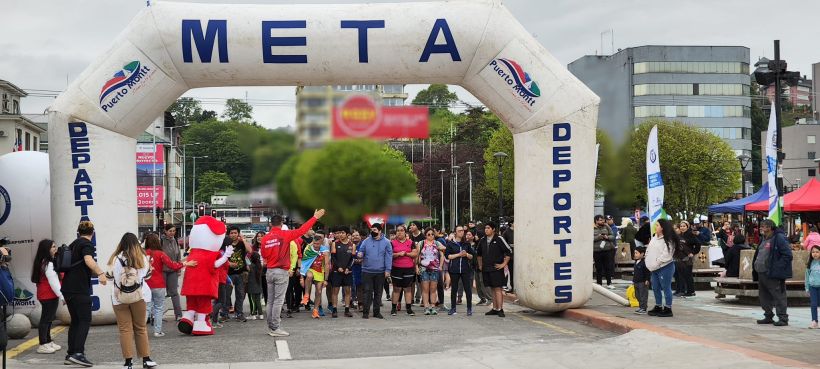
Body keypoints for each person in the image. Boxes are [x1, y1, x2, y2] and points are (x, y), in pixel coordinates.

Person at [260, 209, 324, 337]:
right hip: (281, 271)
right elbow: (302, 230)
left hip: (270, 271)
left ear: (271, 224)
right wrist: (314, 217)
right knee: (278, 301)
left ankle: (271, 326)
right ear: (281, 223)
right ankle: (275, 327)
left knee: (271, 301)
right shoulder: (285, 234)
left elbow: (264, 255)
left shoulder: (265, 238)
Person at [107, 233, 158, 369]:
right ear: (136, 243)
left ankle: (128, 363)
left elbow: (109, 277)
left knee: (125, 330)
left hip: (119, 298)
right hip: (138, 296)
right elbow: (146, 277)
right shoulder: (142, 258)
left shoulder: (115, 258)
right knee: (140, 328)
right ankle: (146, 360)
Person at [61, 221, 108, 367]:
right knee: (85, 320)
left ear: (78, 232)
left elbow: (81, 265)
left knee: (75, 321)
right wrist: (100, 273)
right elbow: (88, 260)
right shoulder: (87, 245)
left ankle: (70, 354)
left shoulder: (73, 244)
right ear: (92, 233)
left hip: (68, 288)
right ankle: (78, 354)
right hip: (79, 289)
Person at [144, 233, 195, 337]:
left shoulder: (143, 254)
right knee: (159, 308)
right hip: (159, 284)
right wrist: (185, 263)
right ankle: (157, 331)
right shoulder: (160, 253)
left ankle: (141, 331)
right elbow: (172, 265)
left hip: (146, 285)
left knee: (146, 308)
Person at [753, 219, 792, 326]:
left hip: (772, 273)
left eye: (763, 226)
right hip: (761, 273)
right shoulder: (763, 238)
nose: (761, 228)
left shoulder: (779, 238)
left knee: (778, 295)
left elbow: (788, 255)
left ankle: (783, 318)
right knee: (764, 296)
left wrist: (776, 267)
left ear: (769, 227)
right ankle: (768, 316)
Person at [31, 239, 63, 354]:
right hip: (48, 295)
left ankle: (48, 341)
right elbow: (53, 282)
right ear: (47, 249)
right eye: (53, 247)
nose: (56, 248)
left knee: (48, 319)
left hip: (47, 295)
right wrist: (62, 296)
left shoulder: (45, 262)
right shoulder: (48, 264)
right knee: (46, 320)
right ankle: (43, 344)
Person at [357, 223, 392, 319]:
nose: (373, 232)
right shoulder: (366, 241)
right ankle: (365, 312)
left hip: (380, 271)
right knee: (367, 292)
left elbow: (389, 257)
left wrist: (388, 270)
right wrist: (360, 254)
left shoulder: (387, 242)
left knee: (378, 292)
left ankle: (376, 312)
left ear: (380, 231)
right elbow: (361, 251)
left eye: (375, 230)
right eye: (372, 230)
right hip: (367, 270)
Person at [477, 222, 512, 317]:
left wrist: (503, 264)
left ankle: (500, 309)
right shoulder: (483, 240)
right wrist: (480, 265)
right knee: (492, 288)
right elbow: (479, 254)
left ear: (493, 229)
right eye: (485, 228)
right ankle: (495, 308)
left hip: (496, 268)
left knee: (498, 289)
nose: (486, 230)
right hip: (486, 268)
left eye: (488, 228)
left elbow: (509, 251)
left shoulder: (499, 238)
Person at [646, 219, 677, 318]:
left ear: (663, 227)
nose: (656, 227)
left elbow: (667, 255)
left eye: (657, 225)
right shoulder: (654, 237)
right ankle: (658, 306)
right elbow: (649, 250)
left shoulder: (669, 239)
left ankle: (668, 308)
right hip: (654, 268)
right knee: (655, 287)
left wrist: (657, 262)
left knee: (666, 287)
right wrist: (648, 260)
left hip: (665, 267)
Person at [300, 233, 330, 319]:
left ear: (321, 243)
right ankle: (306, 295)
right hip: (310, 268)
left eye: (318, 244)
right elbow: (304, 262)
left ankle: (315, 311)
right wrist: (302, 277)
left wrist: (326, 279)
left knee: (319, 292)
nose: (316, 245)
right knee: (309, 276)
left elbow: (327, 265)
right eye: (314, 243)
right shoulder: (308, 248)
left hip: (320, 271)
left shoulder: (325, 251)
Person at [446, 226, 475, 316]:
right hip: (454, 269)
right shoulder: (450, 244)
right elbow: (448, 256)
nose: (462, 232)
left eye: (462, 230)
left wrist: (466, 254)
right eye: (459, 231)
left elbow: (472, 256)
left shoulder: (466, 244)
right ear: (455, 232)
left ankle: (469, 308)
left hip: (465, 269)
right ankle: (453, 308)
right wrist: (459, 254)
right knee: (454, 289)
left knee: (468, 289)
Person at [389, 225, 417, 316]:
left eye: (401, 230)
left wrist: (406, 254)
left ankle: (408, 309)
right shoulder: (392, 243)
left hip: (408, 268)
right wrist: (397, 254)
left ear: (405, 232)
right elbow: (389, 255)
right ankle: (393, 309)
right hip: (396, 268)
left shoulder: (411, 242)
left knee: (407, 288)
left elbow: (415, 253)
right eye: (398, 231)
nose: (399, 232)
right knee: (396, 289)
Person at [329, 226, 356, 318]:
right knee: (335, 291)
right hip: (337, 271)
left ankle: (347, 310)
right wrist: (338, 267)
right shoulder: (335, 244)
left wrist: (348, 268)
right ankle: (334, 310)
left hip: (347, 272)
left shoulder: (352, 245)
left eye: (342, 232)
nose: (340, 234)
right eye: (339, 232)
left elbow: (352, 259)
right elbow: (333, 257)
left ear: (347, 234)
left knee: (347, 291)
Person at [226, 226, 251, 322]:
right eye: (231, 233)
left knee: (240, 294)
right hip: (229, 273)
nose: (233, 235)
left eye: (235, 233)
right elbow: (220, 255)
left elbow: (250, 251)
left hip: (241, 273)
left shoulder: (241, 243)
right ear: (229, 234)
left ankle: (239, 313)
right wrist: (229, 263)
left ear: (238, 234)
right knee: (227, 294)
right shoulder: (226, 244)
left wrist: (243, 239)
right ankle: (225, 313)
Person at [418, 228, 444, 315]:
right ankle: (426, 307)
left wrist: (440, 266)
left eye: (432, 234)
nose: (431, 236)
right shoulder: (421, 243)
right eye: (428, 234)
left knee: (433, 289)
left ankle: (433, 307)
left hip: (435, 269)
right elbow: (417, 256)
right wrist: (416, 267)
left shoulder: (437, 243)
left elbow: (442, 255)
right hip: (424, 269)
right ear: (425, 235)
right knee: (425, 289)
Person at [160, 224, 183, 321]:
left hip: (173, 271)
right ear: (165, 231)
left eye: (174, 231)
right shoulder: (160, 241)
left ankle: (178, 315)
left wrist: (179, 269)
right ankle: (157, 315)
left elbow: (178, 256)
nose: (172, 233)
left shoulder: (175, 240)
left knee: (174, 293)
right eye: (170, 231)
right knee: (160, 293)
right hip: (162, 271)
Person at [674, 221, 700, 297]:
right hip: (680, 257)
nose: (682, 227)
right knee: (682, 274)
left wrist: (693, 252)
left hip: (688, 258)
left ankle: (691, 291)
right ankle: (684, 290)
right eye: (681, 226)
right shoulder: (680, 235)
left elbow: (698, 244)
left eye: (684, 226)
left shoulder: (690, 234)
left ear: (687, 227)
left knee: (688, 274)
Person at [467, 229, 491, 306]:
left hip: (482, 266)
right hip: (476, 266)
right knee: (478, 284)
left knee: (483, 282)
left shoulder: (483, 244)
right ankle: (482, 299)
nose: (475, 236)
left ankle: (489, 298)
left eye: (477, 235)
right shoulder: (476, 244)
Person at [593, 215, 616, 289]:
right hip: (597, 251)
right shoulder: (591, 228)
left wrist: (607, 237)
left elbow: (613, 236)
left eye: (603, 220)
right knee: (598, 268)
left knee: (608, 267)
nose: (603, 221)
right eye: (600, 220)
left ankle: (609, 283)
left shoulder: (606, 226)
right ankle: (599, 284)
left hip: (607, 250)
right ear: (596, 221)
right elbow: (589, 238)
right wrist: (598, 237)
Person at [408, 221, 425, 304]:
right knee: (412, 281)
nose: (411, 226)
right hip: (410, 262)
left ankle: (423, 299)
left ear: (418, 226)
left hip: (421, 262)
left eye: (413, 225)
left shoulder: (423, 237)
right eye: (411, 225)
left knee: (421, 281)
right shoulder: (409, 237)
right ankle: (411, 299)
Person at [247, 251, 265, 320]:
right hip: (258, 286)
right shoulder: (260, 266)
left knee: (252, 301)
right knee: (258, 301)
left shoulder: (250, 266)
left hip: (251, 287)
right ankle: (261, 314)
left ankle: (253, 314)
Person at [805, 245, 820, 329]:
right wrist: (807, 287)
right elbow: (807, 276)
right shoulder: (809, 264)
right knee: (813, 304)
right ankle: (814, 321)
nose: (815, 254)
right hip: (812, 287)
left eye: (817, 252)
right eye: (813, 252)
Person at [632, 246, 650, 314]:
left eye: (637, 253)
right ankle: (640, 306)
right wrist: (633, 281)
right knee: (637, 295)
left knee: (643, 295)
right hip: (636, 281)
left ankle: (643, 308)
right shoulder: (636, 262)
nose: (635, 254)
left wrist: (647, 280)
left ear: (642, 254)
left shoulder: (644, 262)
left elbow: (647, 272)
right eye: (635, 253)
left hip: (642, 282)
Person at [251, 231, 268, 304]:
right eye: (258, 236)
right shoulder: (253, 247)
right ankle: (257, 306)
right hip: (256, 270)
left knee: (266, 288)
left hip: (266, 269)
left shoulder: (268, 246)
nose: (259, 237)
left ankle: (267, 302)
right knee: (257, 288)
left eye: (261, 236)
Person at [351, 230, 365, 311]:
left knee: (360, 287)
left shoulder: (363, 245)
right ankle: (351, 302)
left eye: (357, 235)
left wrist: (361, 260)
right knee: (351, 287)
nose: (355, 237)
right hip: (350, 269)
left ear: (360, 237)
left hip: (361, 269)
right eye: (353, 235)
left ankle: (361, 304)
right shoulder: (349, 245)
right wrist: (354, 261)